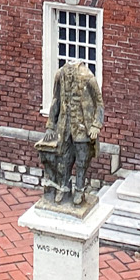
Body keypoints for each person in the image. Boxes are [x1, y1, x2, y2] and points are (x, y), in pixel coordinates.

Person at [37, 60, 103, 208]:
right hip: (64, 128)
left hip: (82, 128)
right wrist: (50, 126)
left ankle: (79, 190)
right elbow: (56, 100)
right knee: (63, 160)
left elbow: (99, 103)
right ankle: (64, 189)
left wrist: (95, 125)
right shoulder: (59, 75)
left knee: (81, 161)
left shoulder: (88, 77)